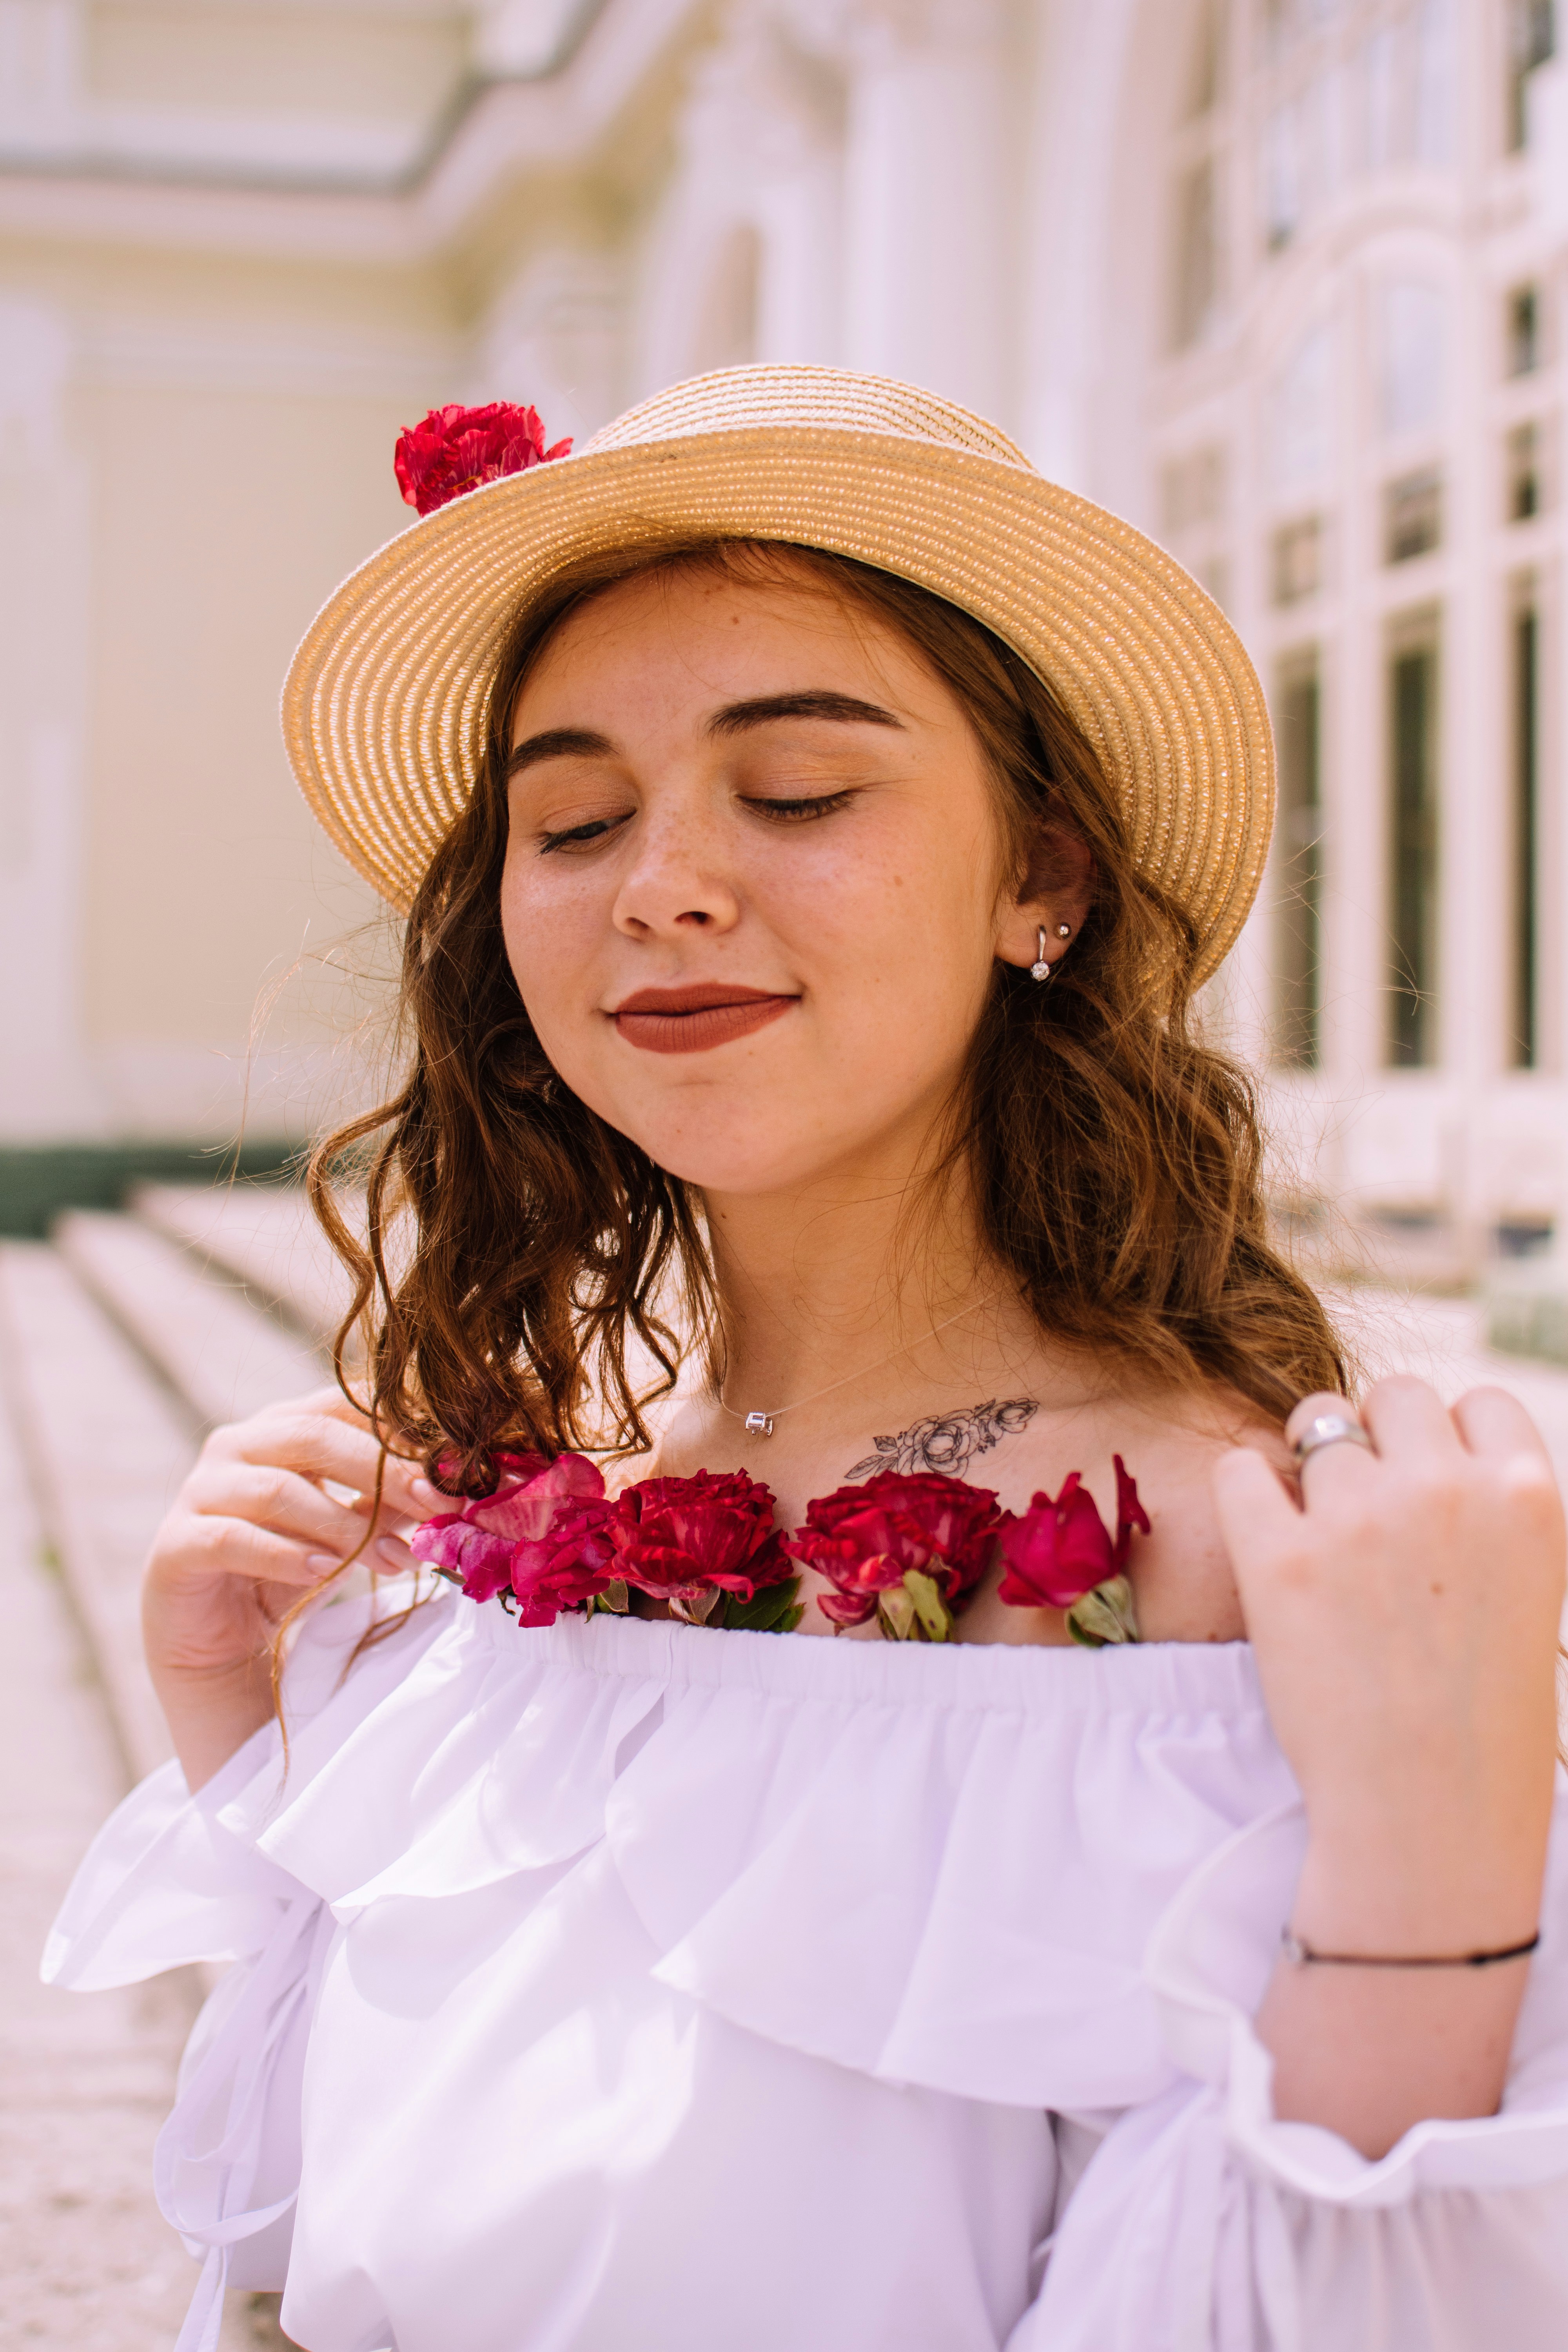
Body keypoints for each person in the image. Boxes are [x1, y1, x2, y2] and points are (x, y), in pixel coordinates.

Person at [44, 368, 1568, 2352]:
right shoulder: (501, 1541)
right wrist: (258, 1747)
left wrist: (1431, 1899)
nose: (661, 882)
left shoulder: (1235, 1581)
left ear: (1046, 877)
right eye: (573, 817)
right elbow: (330, 2254)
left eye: (799, 792)